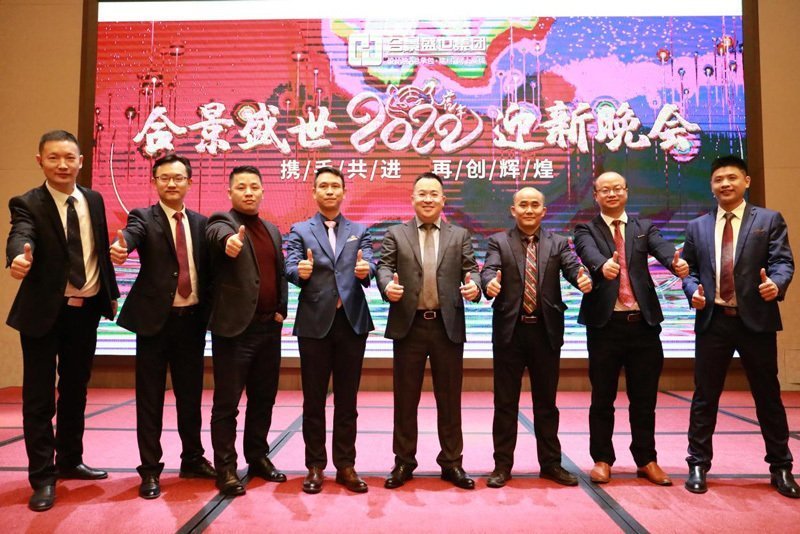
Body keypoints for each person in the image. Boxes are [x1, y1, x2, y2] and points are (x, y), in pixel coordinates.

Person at [6, 130, 120, 511]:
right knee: (39, 398)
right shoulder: (28, 202)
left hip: (85, 313)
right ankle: (43, 477)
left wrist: (110, 293)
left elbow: (98, 249)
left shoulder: (93, 199)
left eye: (69, 158)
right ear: (40, 160)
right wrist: (17, 258)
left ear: (81, 161)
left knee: (75, 390)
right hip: (43, 314)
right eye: (53, 157)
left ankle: (70, 459)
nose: (62, 165)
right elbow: (20, 234)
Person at [681, 155, 799, 498]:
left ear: (746, 181)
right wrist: (692, 291)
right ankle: (698, 464)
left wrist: (776, 284)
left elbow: (782, 262)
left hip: (756, 322)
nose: (725, 184)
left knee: (768, 396)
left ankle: (781, 467)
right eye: (718, 179)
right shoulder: (697, 226)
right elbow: (688, 270)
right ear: (711, 186)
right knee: (704, 396)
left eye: (732, 178)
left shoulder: (768, 219)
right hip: (713, 320)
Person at [109, 153, 215, 499]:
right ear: (154, 181)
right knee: (150, 399)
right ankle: (150, 470)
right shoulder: (143, 217)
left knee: (191, 397)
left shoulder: (201, 224)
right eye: (165, 178)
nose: (172, 183)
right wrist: (122, 246)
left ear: (189, 182)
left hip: (192, 323)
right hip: (155, 324)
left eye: (178, 178)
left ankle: (193, 459)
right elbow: (131, 235)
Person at [574, 171, 688, 486]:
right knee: (602, 397)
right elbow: (587, 252)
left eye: (617, 188)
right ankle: (602, 459)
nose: (611, 194)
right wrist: (602, 266)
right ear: (595, 195)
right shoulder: (585, 229)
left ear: (626, 191)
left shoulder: (643, 228)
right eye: (605, 190)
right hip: (605, 326)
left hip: (643, 326)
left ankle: (646, 459)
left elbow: (663, 249)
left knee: (644, 399)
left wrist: (675, 262)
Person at [480, 187, 592, 488]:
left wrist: (581, 278)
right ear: (513, 210)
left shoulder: (558, 243)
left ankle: (551, 464)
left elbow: (572, 268)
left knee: (546, 404)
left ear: (544, 211)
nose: (528, 210)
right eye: (523, 205)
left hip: (545, 332)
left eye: (534, 205)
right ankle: (502, 466)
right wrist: (489, 283)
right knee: (505, 403)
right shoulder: (499, 241)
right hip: (510, 332)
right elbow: (489, 270)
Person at [377, 172, 481, 490]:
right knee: (405, 399)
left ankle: (451, 462)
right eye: (422, 193)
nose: (427, 199)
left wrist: (475, 287)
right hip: (408, 327)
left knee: (449, 399)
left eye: (434, 194)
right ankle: (404, 462)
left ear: (443, 200)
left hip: (446, 327)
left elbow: (471, 270)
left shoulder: (459, 235)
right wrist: (386, 287)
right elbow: (384, 267)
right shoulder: (396, 234)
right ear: (412, 199)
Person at [285, 166, 375, 494]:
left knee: (347, 401)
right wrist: (299, 271)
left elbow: (371, 264)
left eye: (335, 186)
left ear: (343, 191)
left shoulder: (359, 230)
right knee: (314, 400)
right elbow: (290, 266)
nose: (329, 191)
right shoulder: (300, 230)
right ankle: (315, 466)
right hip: (314, 324)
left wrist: (367, 270)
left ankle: (346, 465)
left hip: (351, 323)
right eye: (323, 186)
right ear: (314, 192)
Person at [205, 166, 288, 496]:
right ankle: (225, 468)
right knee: (227, 404)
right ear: (230, 192)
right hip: (235, 331)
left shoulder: (272, 229)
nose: (249, 192)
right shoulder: (222, 222)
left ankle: (257, 457)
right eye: (241, 187)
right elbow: (218, 237)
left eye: (254, 186)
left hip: (269, 329)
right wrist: (228, 243)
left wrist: (281, 309)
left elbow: (278, 273)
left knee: (263, 399)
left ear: (263, 191)